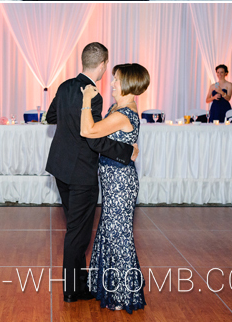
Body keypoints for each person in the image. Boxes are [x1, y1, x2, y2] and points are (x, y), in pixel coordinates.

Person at [44, 42, 138, 304]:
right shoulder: (94, 94)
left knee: (74, 227)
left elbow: (50, 117)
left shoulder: (64, 86)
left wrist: (69, 120)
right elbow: (94, 139)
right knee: (78, 233)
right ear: (103, 65)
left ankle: (77, 285)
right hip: (81, 172)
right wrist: (125, 150)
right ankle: (73, 290)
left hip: (60, 167)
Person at [81, 63, 149, 313]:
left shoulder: (124, 114)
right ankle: (107, 288)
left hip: (121, 184)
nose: (111, 84)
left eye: (116, 80)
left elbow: (89, 131)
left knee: (118, 236)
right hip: (113, 181)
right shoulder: (117, 108)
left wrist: (87, 99)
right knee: (110, 232)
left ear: (129, 84)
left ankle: (123, 293)